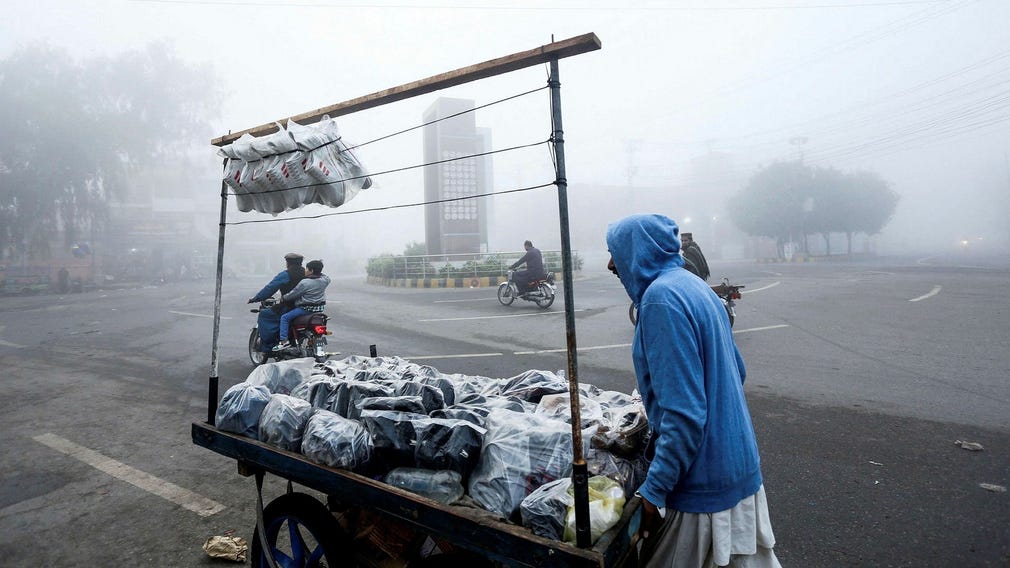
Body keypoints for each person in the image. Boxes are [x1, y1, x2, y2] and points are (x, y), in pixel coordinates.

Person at [605, 214, 780, 568]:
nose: (611, 264)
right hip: (739, 466)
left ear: (639, 251)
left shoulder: (659, 301)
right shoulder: (695, 285)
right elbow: (737, 371)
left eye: (616, 252)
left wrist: (654, 491)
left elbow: (684, 415)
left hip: (702, 487)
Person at [247, 253, 305, 353]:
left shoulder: (286, 274)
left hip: (289, 306)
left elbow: (270, 288)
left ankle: (268, 346)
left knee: (265, 315)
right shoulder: (307, 273)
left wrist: (256, 298)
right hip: (305, 306)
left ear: (288, 263)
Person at [274, 259, 330, 351]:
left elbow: (293, 294)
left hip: (304, 309)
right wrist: (318, 270)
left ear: (311, 271)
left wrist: (283, 298)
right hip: (318, 310)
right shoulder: (325, 280)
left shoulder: (305, 283)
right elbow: (324, 275)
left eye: (307, 269)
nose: (305, 270)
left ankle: (284, 341)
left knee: (284, 318)